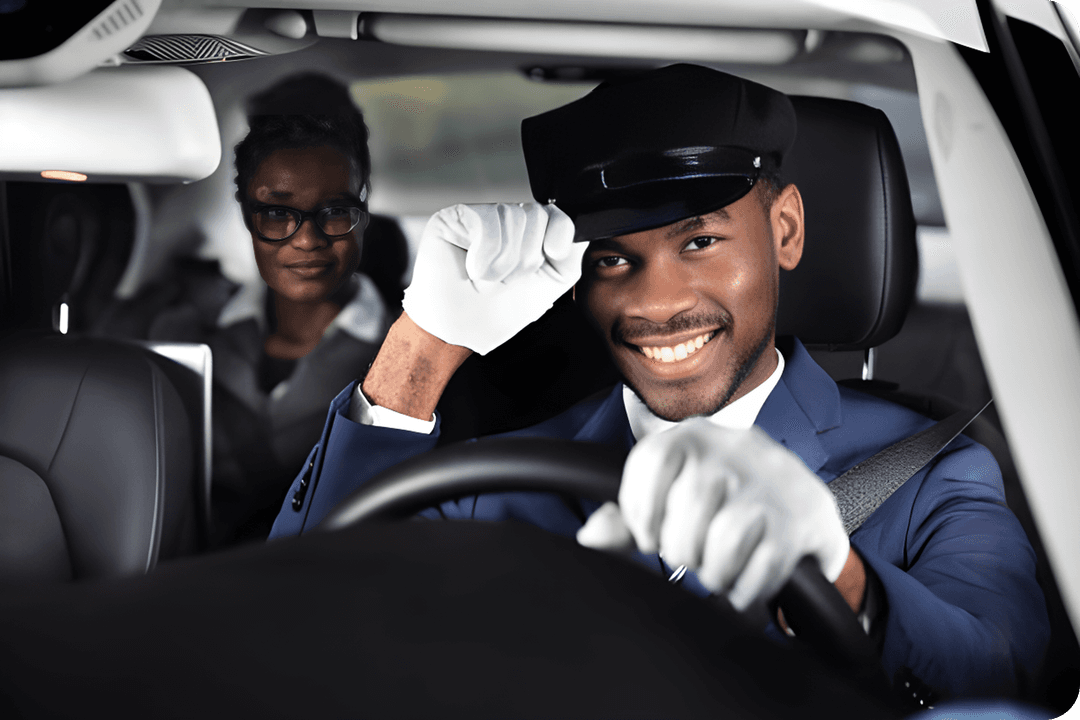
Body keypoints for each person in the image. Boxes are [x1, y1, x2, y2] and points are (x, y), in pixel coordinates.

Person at [267, 64, 1049, 701]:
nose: (656, 304)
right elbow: (296, 631)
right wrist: (426, 343)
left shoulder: (927, 475)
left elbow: (1004, 674)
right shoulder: (495, 481)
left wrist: (837, 581)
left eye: (700, 240)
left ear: (785, 230)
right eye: (612, 258)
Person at [197, 74, 397, 544]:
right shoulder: (184, 328)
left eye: (335, 211)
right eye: (276, 213)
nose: (307, 240)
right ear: (246, 213)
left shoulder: (413, 347)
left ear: (364, 208)